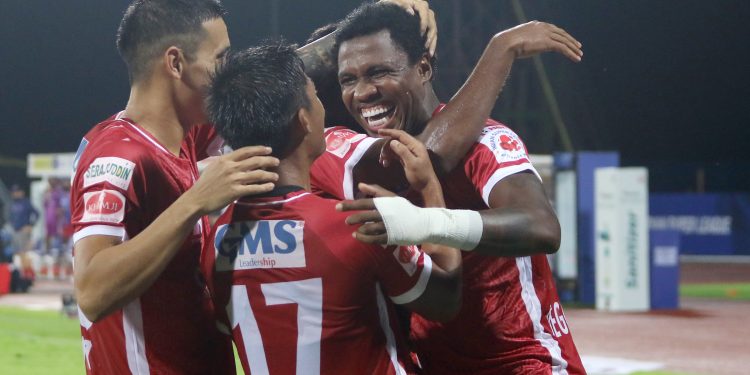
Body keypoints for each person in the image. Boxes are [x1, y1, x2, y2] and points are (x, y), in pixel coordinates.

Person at [312, 3, 586, 374]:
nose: (363, 92)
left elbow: (541, 227)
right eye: (349, 80)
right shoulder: (359, 157)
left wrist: (431, 224)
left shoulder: (486, 140)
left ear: (423, 68)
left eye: (379, 72)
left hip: (523, 363)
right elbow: (269, 80)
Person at [203, 43, 462, 375]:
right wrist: (429, 188)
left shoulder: (217, 239)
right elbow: (445, 298)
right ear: (303, 121)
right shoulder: (352, 224)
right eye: (315, 97)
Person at [70, 1, 279, 373]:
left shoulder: (184, 137)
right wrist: (195, 200)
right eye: (220, 59)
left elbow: (282, 80)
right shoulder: (117, 158)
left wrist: (383, 19)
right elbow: (92, 291)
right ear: (176, 63)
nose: (228, 75)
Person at [9, 185, 38, 255]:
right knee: (16, 251)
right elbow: (11, 217)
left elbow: (36, 213)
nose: (15, 194)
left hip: (23, 231)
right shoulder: (13, 203)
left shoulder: (26, 202)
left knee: (24, 251)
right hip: (15, 230)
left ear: (21, 192)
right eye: (13, 192)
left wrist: (31, 225)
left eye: (16, 192)